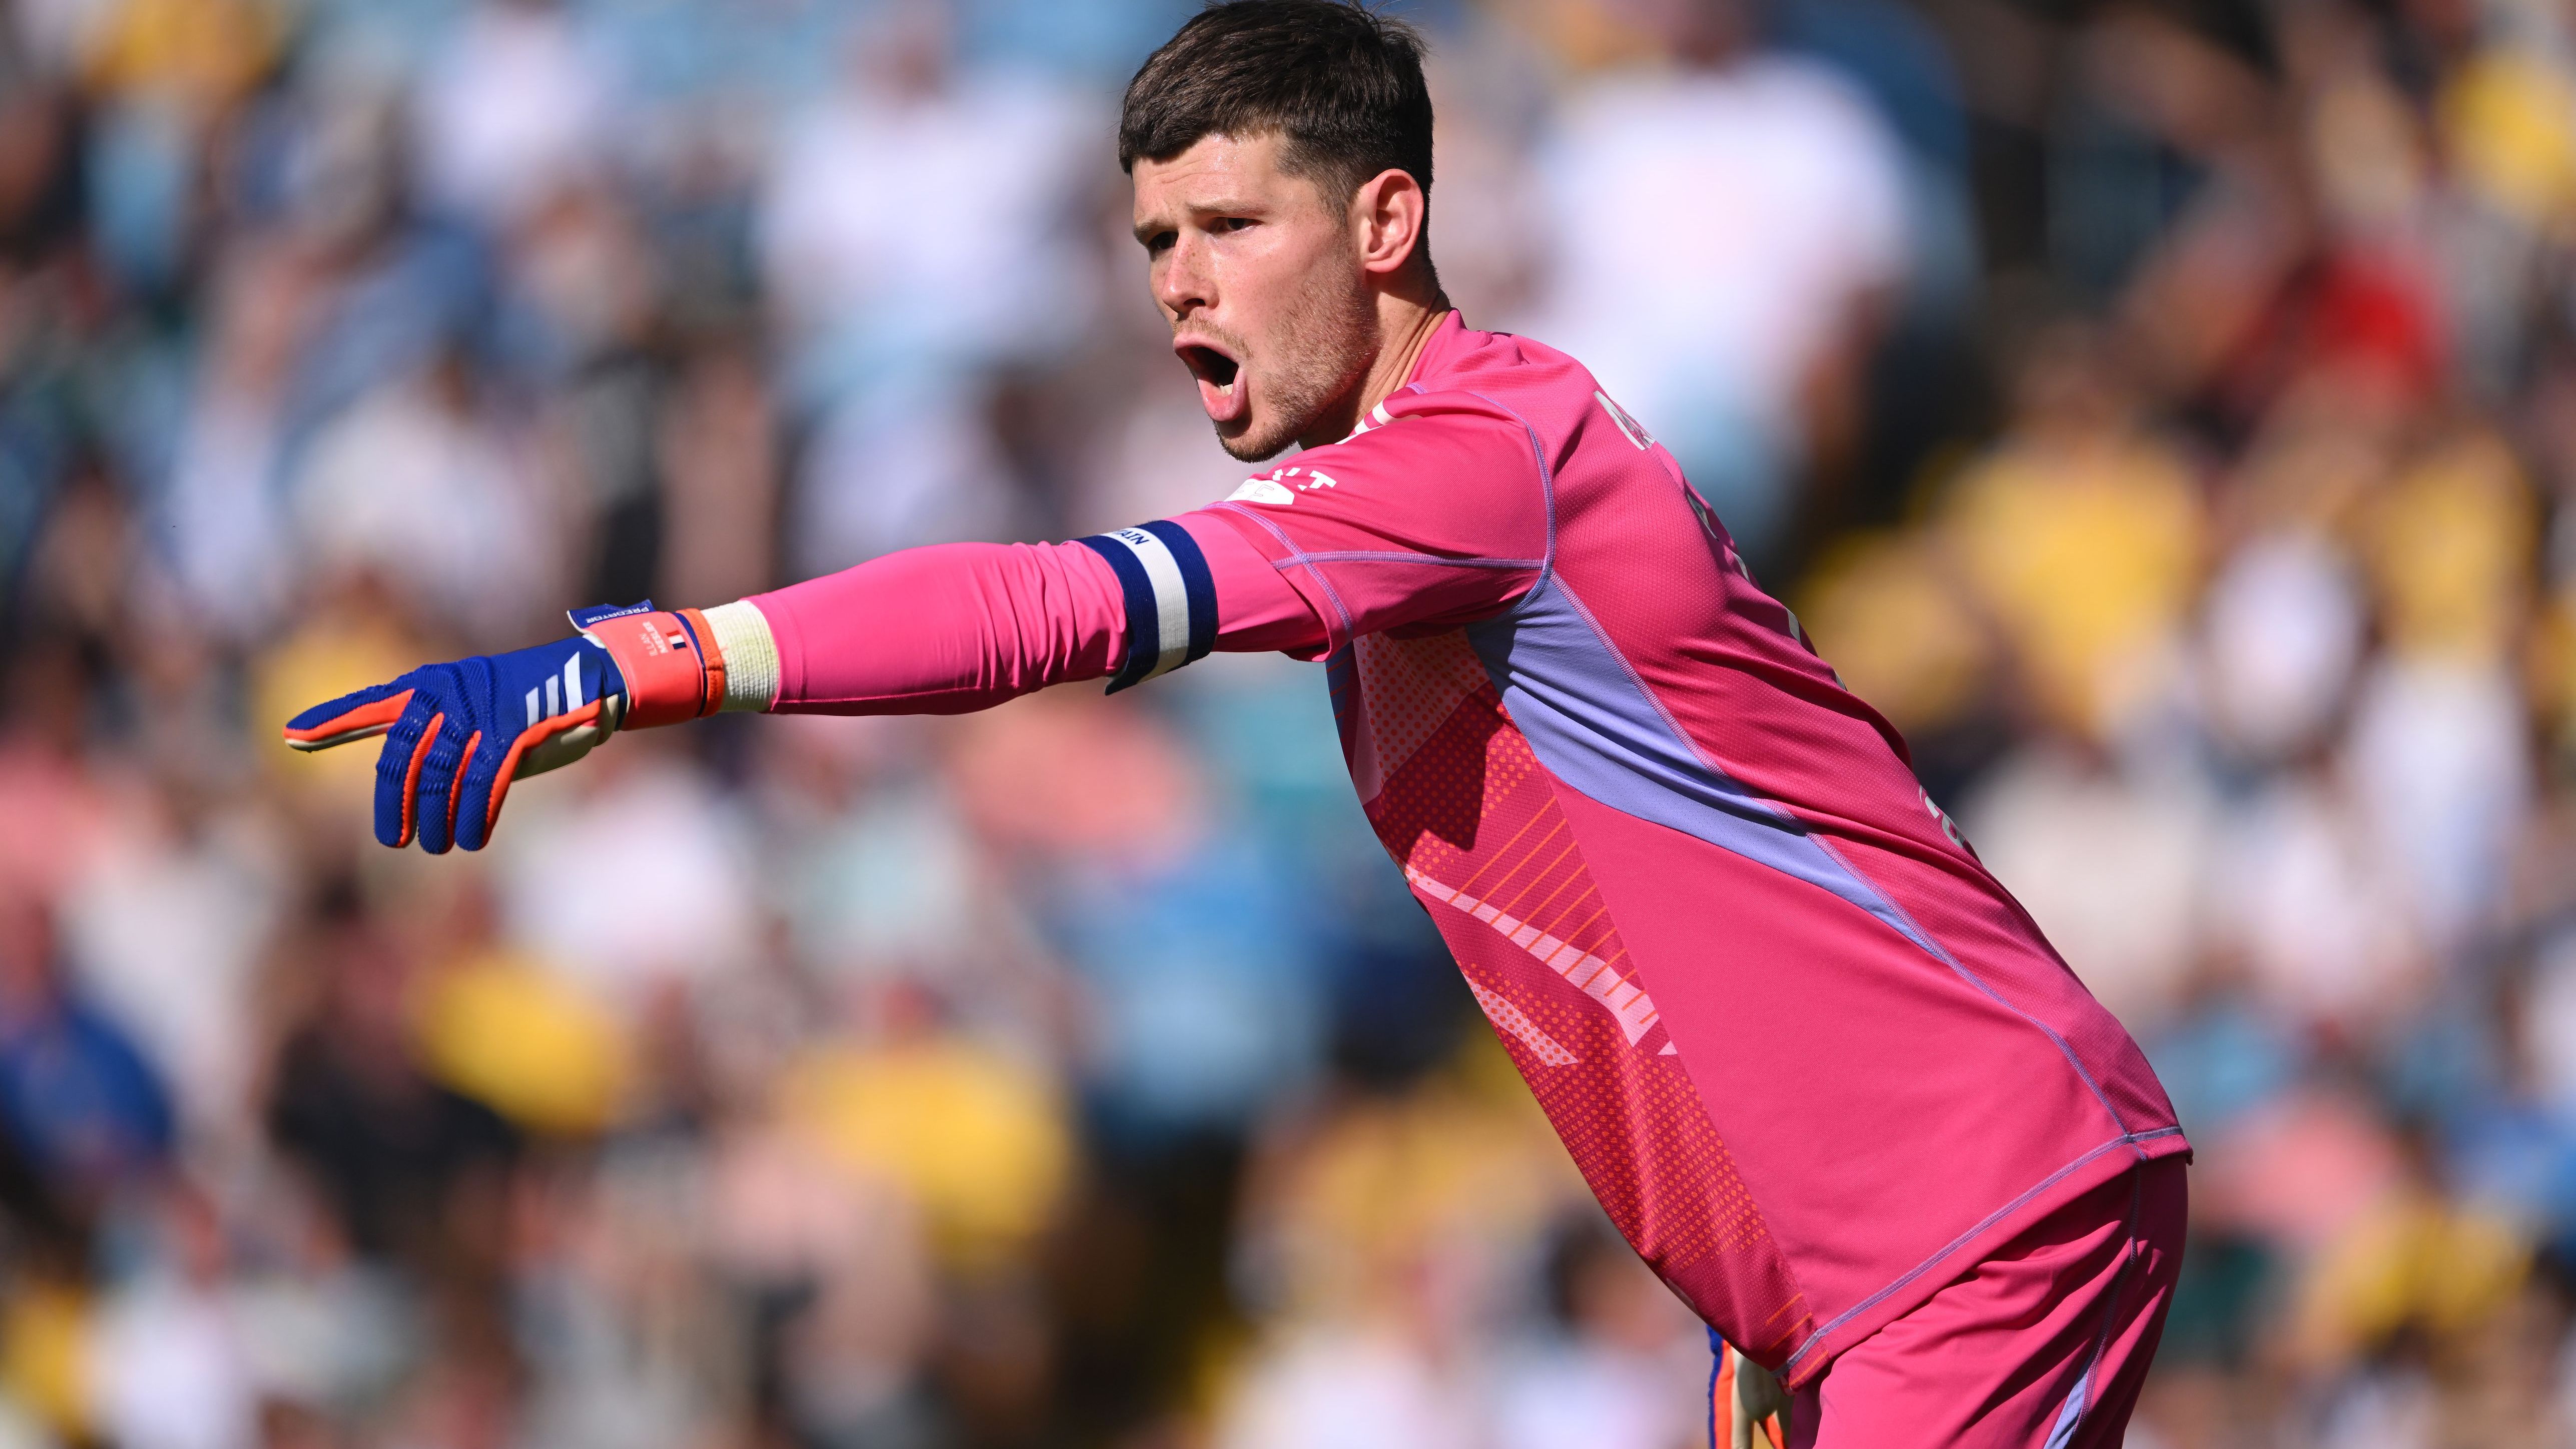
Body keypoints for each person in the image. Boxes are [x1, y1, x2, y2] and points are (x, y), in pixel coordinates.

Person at [284, 4, 2189, 1442]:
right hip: (1884, 1254)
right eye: (1150, 244)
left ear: (1383, 220)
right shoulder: (1441, 505)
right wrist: (1760, 1308)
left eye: (1227, 227)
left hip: (1971, 1207)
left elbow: (1055, 605)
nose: (1182, 285)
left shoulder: (1480, 462)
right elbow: (1688, 924)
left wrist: (648, 657)